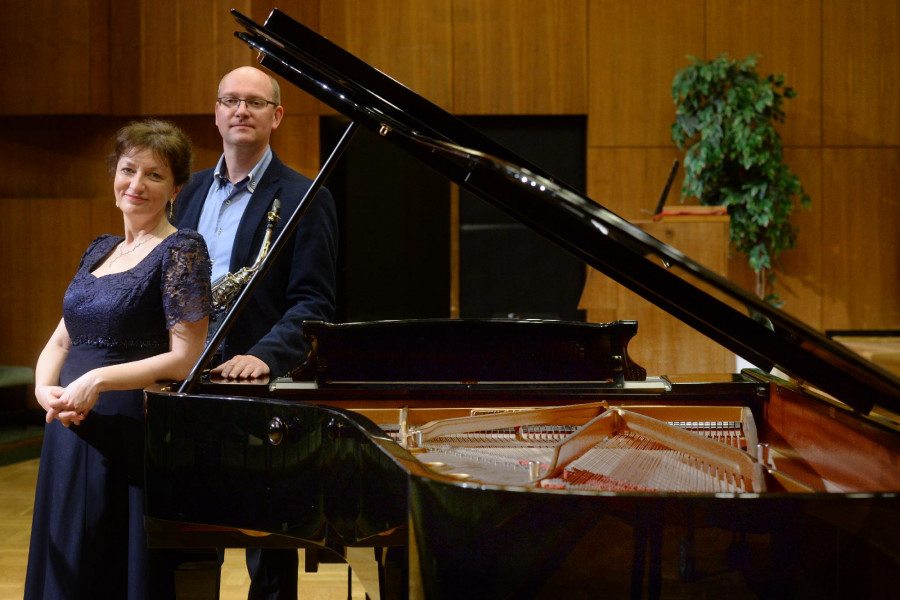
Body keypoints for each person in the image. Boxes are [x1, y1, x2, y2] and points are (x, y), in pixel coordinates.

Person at [24, 120, 213, 599]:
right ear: (114, 174)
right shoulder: (100, 249)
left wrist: (98, 380)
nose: (136, 184)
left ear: (176, 189)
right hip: (68, 425)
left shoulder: (183, 250)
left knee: (110, 563)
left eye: (154, 175)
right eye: (128, 170)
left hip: (127, 427)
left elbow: (185, 358)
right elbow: (60, 343)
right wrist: (45, 390)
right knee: (67, 560)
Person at [173, 66, 338, 599]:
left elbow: (313, 302)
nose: (241, 110)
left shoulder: (305, 196)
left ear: (277, 116)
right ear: (216, 113)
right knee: (190, 533)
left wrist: (265, 355)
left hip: (255, 385)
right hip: (185, 379)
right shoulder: (189, 191)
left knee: (268, 545)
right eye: (230, 100)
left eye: (254, 102)